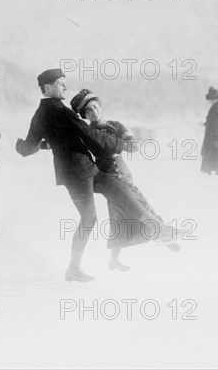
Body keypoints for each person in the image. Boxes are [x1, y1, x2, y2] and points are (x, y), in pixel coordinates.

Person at [16, 69, 170, 283]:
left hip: (82, 170)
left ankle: (157, 229)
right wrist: (121, 144)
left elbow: (29, 148)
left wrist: (21, 146)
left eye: (64, 82)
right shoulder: (61, 111)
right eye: (61, 83)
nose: (65, 87)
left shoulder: (39, 114)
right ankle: (73, 268)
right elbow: (91, 134)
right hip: (78, 174)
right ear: (47, 88)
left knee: (117, 190)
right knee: (92, 216)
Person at [70, 89, 180, 272]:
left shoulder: (116, 125)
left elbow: (133, 146)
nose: (94, 112)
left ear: (100, 106)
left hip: (122, 171)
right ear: (85, 115)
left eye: (95, 107)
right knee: (124, 212)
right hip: (106, 176)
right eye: (89, 111)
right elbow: (70, 145)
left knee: (132, 207)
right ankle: (158, 237)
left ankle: (158, 239)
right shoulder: (87, 132)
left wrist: (117, 143)